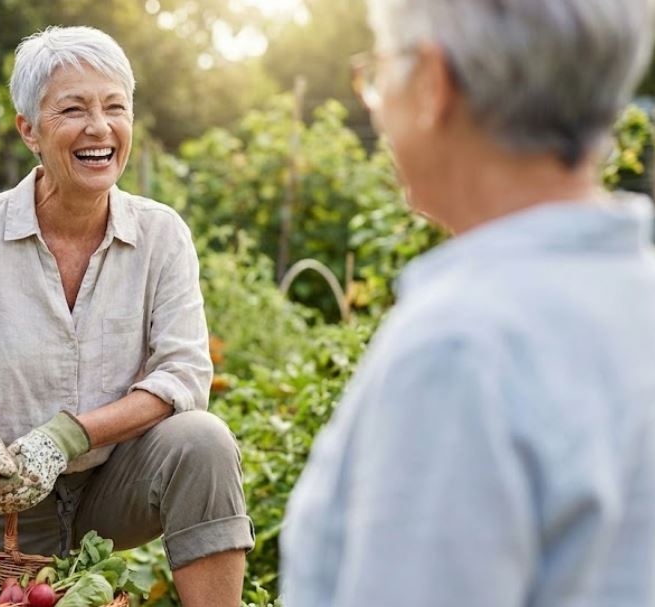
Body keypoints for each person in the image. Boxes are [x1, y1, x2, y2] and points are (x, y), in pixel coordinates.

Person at [280, 0, 655, 605]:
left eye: (379, 70)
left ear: (432, 83)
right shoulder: (635, 296)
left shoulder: (459, 350)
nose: (376, 103)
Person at [0, 25, 253, 606]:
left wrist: (70, 437)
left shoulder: (161, 235)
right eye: (73, 109)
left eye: (115, 107)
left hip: (114, 484)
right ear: (29, 131)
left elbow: (183, 374)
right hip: (0, 497)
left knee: (203, 442)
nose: (99, 128)